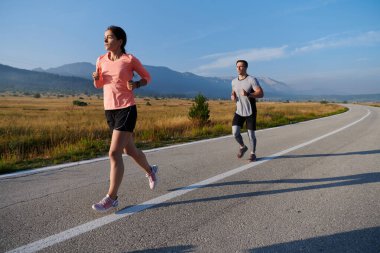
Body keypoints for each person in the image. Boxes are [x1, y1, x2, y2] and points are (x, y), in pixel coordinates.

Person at [91, 25, 158, 212]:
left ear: (120, 41)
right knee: (130, 151)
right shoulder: (100, 60)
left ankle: (112, 198)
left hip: (126, 108)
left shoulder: (129, 59)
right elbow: (99, 85)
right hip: (109, 110)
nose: (105, 40)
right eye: (104, 37)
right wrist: (96, 78)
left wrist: (136, 83)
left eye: (110, 37)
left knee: (114, 153)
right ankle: (150, 170)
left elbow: (147, 77)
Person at [231, 60, 264, 162]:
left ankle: (253, 153)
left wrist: (249, 94)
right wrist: (233, 96)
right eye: (237, 66)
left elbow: (261, 93)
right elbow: (233, 93)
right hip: (239, 111)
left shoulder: (251, 80)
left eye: (241, 66)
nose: (238, 68)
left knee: (251, 135)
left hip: (250, 111)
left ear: (245, 68)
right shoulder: (233, 81)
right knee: (235, 133)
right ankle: (242, 146)